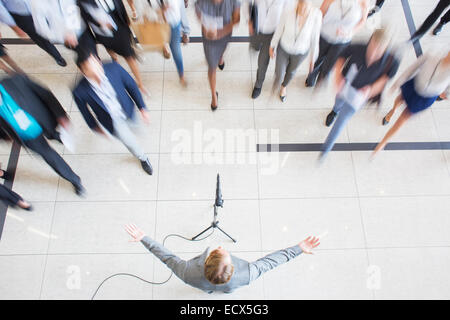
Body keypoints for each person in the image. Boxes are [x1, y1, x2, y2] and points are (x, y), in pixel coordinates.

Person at [125, 223, 320, 293]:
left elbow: (166, 257)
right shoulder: (248, 274)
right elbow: (272, 261)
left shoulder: (187, 273)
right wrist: (298, 249)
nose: (220, 246)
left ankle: (209, 291)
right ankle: (223, 291)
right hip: (230, 287)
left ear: (207, 262)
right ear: (233, 267)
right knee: (227, 291)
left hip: (201, 285)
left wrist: (144, 238)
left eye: (218, 250)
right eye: (224, 251)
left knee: (208, 290)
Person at [320, 29, 399, 159]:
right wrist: (338, 77)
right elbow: (341, 57)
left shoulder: (392, 62)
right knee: (338, 103)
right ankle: (334, 111)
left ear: (385, 48)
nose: (373, 53)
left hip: (359, 96)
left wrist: (371, 90)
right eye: (372, 47)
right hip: (345, 86)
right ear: (370, 41)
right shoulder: (358, 48)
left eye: (378, 50)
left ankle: (326, 149)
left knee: (341, 121)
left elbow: (384, 80)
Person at [0, 74, 85, 195]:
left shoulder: (15, 81)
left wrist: (61, 115)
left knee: (52, 134)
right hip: (29, 138)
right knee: (51, 158)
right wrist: (5, 137)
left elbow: (45, 94)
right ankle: (74, 179)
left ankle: (56, 136)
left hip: (43, 121)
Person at [73, 54, 153, 175]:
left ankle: (135, 129)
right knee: (129, 141)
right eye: (89, 67)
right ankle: (142, 157)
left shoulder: (114, 68)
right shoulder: (79, 91)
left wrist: (142, 107)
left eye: (95, 63)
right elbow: (85, 113)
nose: (95, 69)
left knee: (136, 126)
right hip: (113, 121)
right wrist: (95, 127)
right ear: (82, 70)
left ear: (99, 61)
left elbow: (131, 85)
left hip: (127, 109)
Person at [373, 51, 450, 155]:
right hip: (414, 86)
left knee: (402, 119)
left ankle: (383, 142)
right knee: (399, 100)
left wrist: (445, 93)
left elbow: (447, 93)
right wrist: (397, 83)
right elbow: (412, 68)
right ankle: (392, 111)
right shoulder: (431, 57)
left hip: (425, 98)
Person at [78, 0, 148, 96]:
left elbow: (119, 3)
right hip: (102, 32)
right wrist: (99, 23)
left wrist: (126, 18)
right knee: (109, 48)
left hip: (118, 23)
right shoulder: (84, 2)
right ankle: (115, 61)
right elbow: (85, 17)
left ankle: (140, 83)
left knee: (129, 55)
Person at [305, 0, 368, 88]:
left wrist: (350, 32)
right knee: (317, 59)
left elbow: (362, 21)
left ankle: (321, 81)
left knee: (330, 65)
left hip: (342, 41)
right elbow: (320, 14)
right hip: (324, 35)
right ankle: (311, 79)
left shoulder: (363, 2)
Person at [270, 0, 322, 102]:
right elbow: (279, 29)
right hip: (284, 47)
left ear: (311, 6)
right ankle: (278, 82)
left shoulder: (316, 15)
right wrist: (272, 45)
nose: (302, 10)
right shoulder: (288, 11)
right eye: (301, 7)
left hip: (300, 52)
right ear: (297, 3)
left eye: (306, 8)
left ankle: (284, 86)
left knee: (291, 72)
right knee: (279, 73)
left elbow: (315, 39)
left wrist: (312, 59)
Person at [195, 0, 241, 111]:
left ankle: (220, 58)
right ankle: (213, 96)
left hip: (225, 35)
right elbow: (198, 14)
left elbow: (236, 19)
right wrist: (206, 30)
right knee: (212, 67)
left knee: (222, 51)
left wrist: (220, 32)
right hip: (209, 39)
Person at [0, 0, 67, 67]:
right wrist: (15, 27)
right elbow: (1, 10)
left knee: (53, 25)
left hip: (39, 7)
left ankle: (67, 42)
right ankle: (57, 56)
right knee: (39, 37)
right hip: (22, 16)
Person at [139, 0, 190, 86]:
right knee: (160, 38)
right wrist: (160, 11)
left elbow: (179, 9)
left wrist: (186, 31)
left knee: (176, 51)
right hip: (157, 23)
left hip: (173, 25)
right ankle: (164, 45)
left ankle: (181, 75)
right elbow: (144, 11)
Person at [29, 0, 98, 62]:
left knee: (93, 57)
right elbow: (41, 28)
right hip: (66, 39)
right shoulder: (37, 2)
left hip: (82, 30)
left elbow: (79, 6)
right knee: (87, 59)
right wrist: (62, 37)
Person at [247, 0, 289, 99]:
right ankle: (255, 46)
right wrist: (248, 19)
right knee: (254, 47)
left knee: (263, 62)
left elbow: (288, 13)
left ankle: (258, 84)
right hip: (256, 26)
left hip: (272, 32)